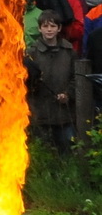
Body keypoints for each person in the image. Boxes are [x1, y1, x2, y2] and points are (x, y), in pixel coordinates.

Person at [27, 12, 78, 151]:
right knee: (43, 151)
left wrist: (67, 94)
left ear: (59, 28)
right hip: (40, 112)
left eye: (53, 26)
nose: (49, 29)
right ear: (39, 29)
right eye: (45, 26)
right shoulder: (31, 53)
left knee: (67, 150)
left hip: (64, 114)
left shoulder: (69, 52)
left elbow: (76, 78)